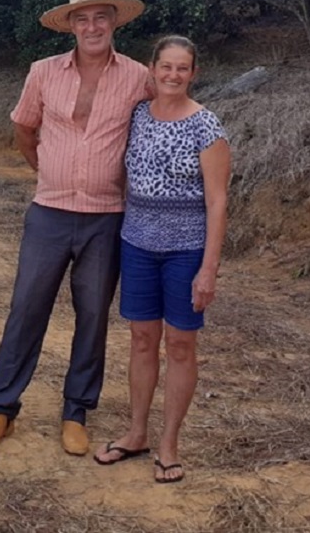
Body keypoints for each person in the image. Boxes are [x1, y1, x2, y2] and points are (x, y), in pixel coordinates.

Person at [0, 0, 152, 458]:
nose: (92, 26)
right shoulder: (43, 72)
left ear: (114, 22)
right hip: (49, 211)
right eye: (82, 18)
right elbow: (25, 129)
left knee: (92, 316)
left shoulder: (137, 77)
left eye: (101, 17)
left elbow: (155, 127)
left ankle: (76, 412)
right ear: (69, 25)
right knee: (27, 306)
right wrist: (49, 170)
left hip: (106, 217)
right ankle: (1, 409)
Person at [92, 35, 230, 484]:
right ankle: (136, 433)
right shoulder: (138, 116)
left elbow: (218, 200)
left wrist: (208, 268)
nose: (173, 75)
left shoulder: (206, 127)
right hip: (136, 244)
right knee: (141, 340)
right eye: (165, 66)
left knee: (182, 344)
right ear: (151, 69)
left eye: (182, 68)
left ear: (194, 73)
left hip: (186, 250)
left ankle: (169, 445)